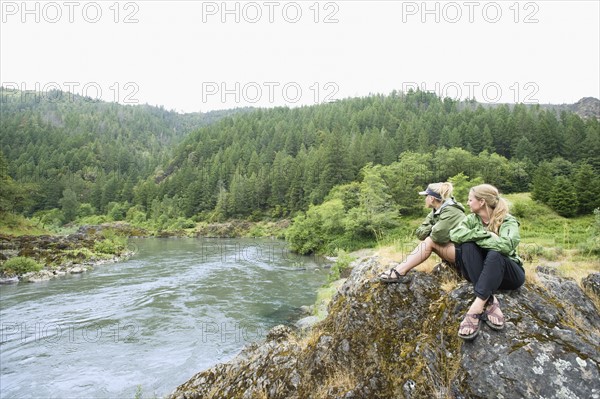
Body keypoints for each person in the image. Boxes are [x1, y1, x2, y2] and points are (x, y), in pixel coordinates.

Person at [449, 184, 525, 341]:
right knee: (467, 245)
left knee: (495, 254)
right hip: (481, 273)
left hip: (507, 274)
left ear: (481, 201)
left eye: (470, 200)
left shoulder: (508, 221)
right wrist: (486, 235)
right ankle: (490, 299)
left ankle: (475, 308)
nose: (468, 203)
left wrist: (478, 240)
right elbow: (455, 235)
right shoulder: (471, 219)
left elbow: (506, 245)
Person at [378, 182, 465, 282]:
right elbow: (419, 233)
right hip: (455, 251)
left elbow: (438, 237)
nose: (425, 199)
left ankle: (399, 271)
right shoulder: (435, 211)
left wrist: (432, 230)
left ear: (432, 198)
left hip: (465, 255)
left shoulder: (452, 211)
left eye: (426, 196)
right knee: (428, 240)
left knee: (429, 241)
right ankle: (399, 270)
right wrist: (434, 227)